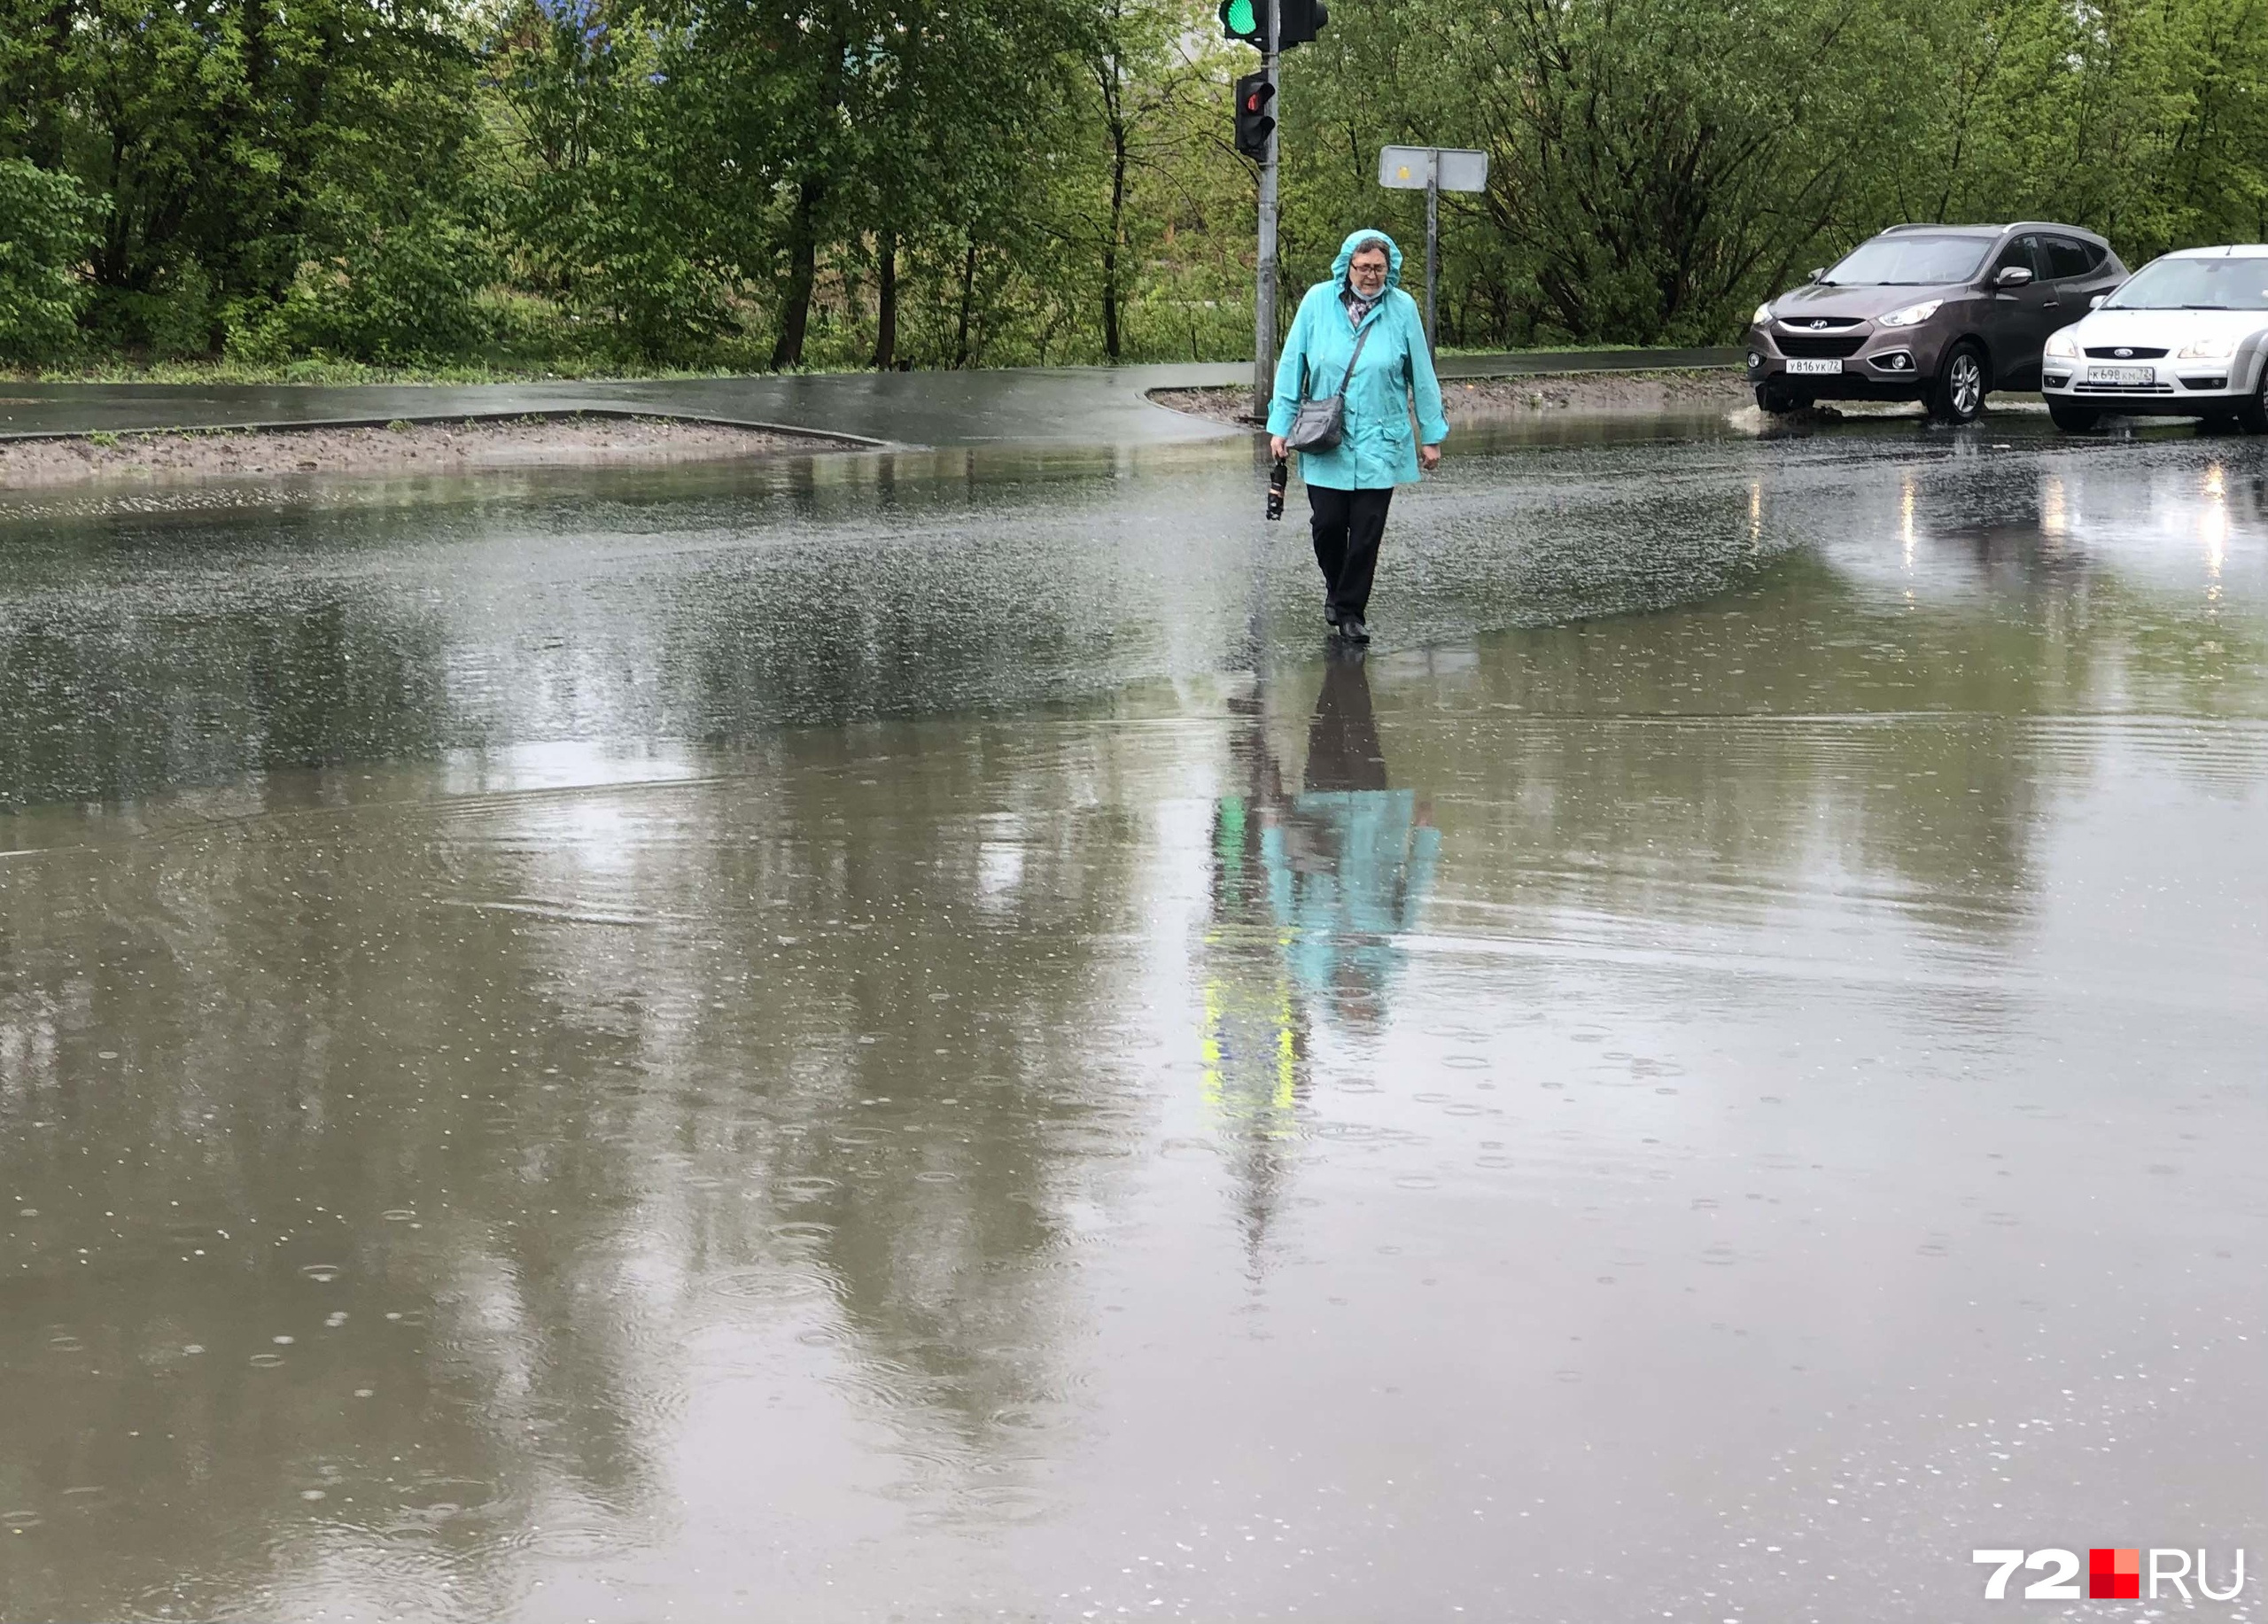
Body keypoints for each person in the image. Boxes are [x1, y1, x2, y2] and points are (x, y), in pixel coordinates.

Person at [1267, 229, 1449, 645]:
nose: (1371, 275)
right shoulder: (1317, 302)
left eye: (1379, 268)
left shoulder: (1402, 309)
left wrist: (1431, 435)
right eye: (1363, 267)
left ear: (1390, 268)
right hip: (1324, 437)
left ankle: (1350, 611)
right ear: (1347, 266)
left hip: (1380, 442)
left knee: (1366, 532)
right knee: (1327, 525)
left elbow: (1421, 375)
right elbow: (1293, 363)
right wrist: (1280, 426)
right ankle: (1336, 588)